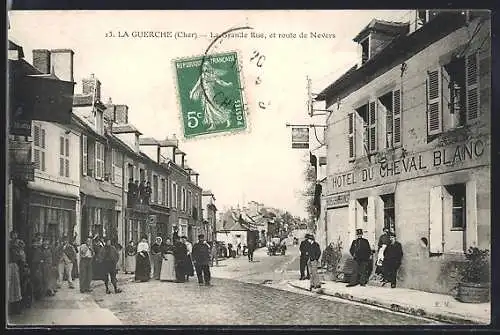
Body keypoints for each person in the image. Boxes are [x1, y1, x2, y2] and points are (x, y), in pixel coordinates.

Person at [8, 231, 23, 315]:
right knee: (11, 287)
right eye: (14, 235)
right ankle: (12, 307)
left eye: (16, 235)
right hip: (10, 265)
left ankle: (16, 307)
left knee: (16, 287)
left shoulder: (17, 245)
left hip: (14, 265)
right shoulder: (10, 244)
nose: (15, 237)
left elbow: (20, 255)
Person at [30, 234, 44, 300]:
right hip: (33, 267)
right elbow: (29, 259)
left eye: (36, 243)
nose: (35, 244)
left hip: (38, 267)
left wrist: (41, 261)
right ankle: (34, 295)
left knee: (39, 281)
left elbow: (41, 257)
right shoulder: (30, 250)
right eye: (34, 243)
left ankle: (38, 295)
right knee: (33, 281)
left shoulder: (39, 250)